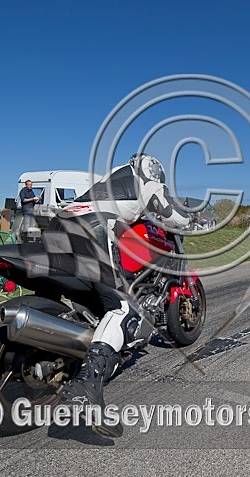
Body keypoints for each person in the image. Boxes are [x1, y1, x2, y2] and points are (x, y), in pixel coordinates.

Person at [50, 153, 189, 437]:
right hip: (93, 227)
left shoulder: (111, 180)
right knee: (123, 308)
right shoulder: (145, 179)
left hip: (58, 225)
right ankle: (85, 387)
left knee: (77, 294)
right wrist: (190, 220)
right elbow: (168, 210)